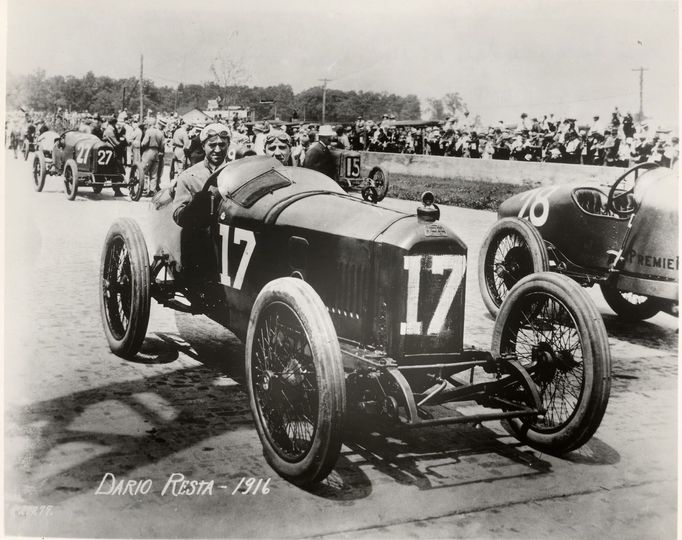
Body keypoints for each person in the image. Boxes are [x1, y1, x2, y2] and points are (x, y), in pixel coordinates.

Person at [172, 123, 230, 228]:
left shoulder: (237, 172)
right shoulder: (188, 176)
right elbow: (178, 215)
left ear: (228, 144)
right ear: (203, 146)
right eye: (212, 145)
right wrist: (193, 207)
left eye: (222, 145)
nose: (217, 150)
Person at [140, 118, 165, 192]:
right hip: (156, 152)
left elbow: (144, 143)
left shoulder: (149, 131)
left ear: (149, 124)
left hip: (149, 151)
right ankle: (152, 190)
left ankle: (144, 188)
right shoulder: (160, 133)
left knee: (143, 170)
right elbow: (162, 145)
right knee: (154, 173)